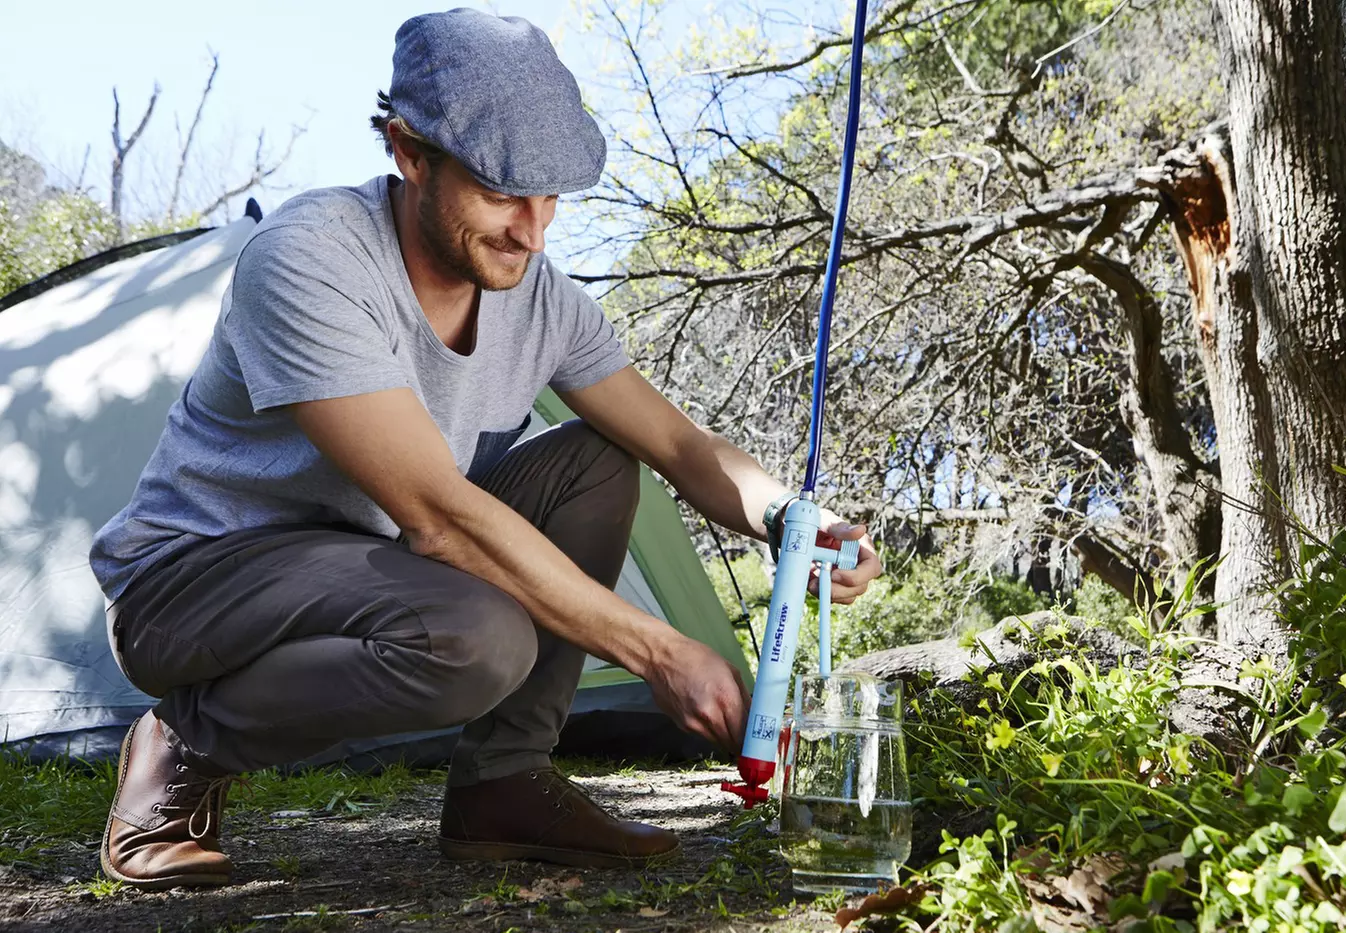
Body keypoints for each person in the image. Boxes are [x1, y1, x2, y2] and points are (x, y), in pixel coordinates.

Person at [90, 8, 881, 891]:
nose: (531, 231)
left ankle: (503, 781)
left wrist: (790, 520)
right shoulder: (309, 258)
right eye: (503, 191)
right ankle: (188, 738)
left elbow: (678, 443)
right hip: (193, 583)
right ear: (409, 151)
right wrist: (659, 650)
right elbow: (436, 517)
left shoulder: (542, 299)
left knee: (597, 459)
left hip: (367, 565)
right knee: (475, 636)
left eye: (549, 197)